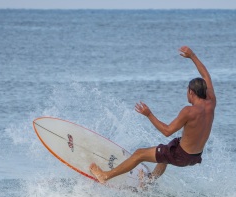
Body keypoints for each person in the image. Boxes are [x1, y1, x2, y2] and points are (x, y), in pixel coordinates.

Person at [90, 46, 216, 184]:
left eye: (187, 91)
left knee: (140, 154)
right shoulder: (211, 102)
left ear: (191, 92)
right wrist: (192, 55)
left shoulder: (189, 111)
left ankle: (105, 176)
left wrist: (149, 114)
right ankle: (149, 183)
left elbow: (167, 131)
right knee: (166, 152)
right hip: (196, 156)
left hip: (182, 155)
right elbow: (206, 76)